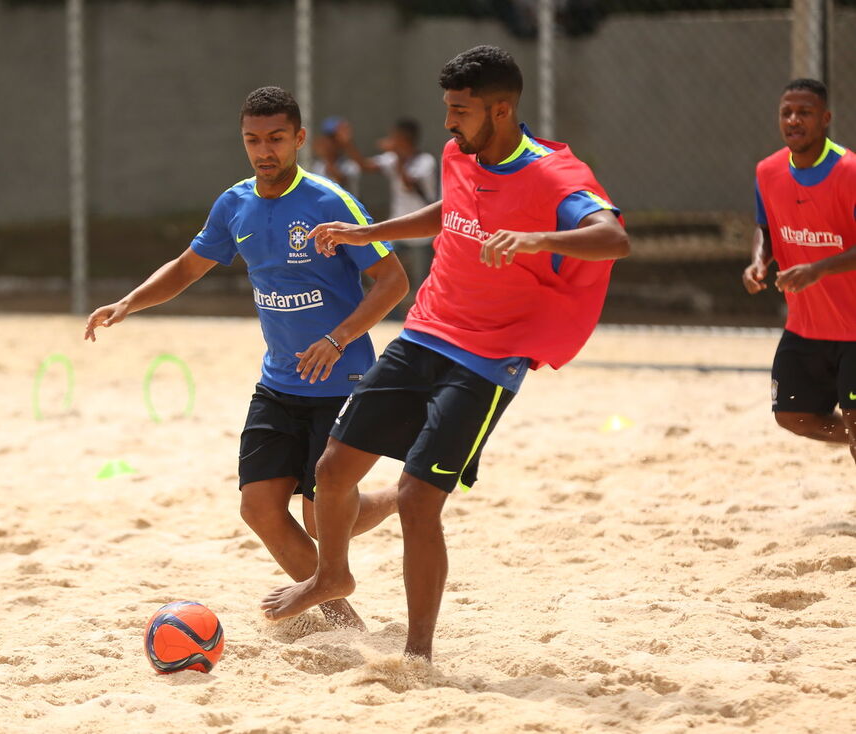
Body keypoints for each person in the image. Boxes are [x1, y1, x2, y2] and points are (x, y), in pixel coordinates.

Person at [260, 46, 629, 660]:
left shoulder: (554, 175)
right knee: (330, 472)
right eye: (448, 109)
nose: (450, 124)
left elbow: (612, 237)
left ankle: (418, 653)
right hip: (426, 332)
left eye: (461, 111)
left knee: (416, 498)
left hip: (490, 360)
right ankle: (331, 575)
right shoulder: (462, 153)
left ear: (502, 110)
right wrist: (366, 232)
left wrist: (537, 237)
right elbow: (451, 210)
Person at [85, 86, 409, 628]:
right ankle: (341, 619)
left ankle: (399, 497)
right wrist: (129, 302)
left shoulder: (330, 201)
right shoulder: (235, 204)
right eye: (253, 140)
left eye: (277, 139)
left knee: (318, 514)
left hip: (341, 379)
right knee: (259, 508)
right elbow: (188, 267)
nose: (265, 151)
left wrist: (337, 339)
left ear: (299, 139)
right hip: (279, 382)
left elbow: (393, 282)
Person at [742, 79, 856, 463]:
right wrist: (759, 262)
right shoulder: (767, 171)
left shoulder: (850, 171)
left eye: (804, 112)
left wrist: (819, 269)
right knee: (792, 415)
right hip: (806, 327)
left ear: (825, 119)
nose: (794, 119)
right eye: (786, 112)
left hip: (854, 327)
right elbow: (765, 228)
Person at [339, 118, 439, 301]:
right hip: (397, 226)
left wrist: (398, 156)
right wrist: (347, 144)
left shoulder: (425, 161)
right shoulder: (393, 158)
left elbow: (408, 184)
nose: (390, 139)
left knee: (421, 280)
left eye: (395, 136)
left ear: (405, 138)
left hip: (422, 230)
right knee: (383, 269)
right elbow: (364, 165)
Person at [310, 116, 362, 197]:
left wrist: (326, 157)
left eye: (334, 139)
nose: (330, 142)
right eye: (328, 138)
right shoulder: (318, 165)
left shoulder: (350, 166)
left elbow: (340, 181)